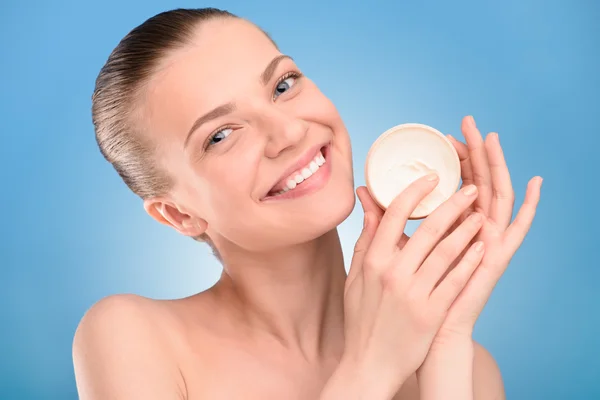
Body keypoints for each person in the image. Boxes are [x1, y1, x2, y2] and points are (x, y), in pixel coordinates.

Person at [72, 7, 542, 399]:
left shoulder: (469, 368)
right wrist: (370, 369)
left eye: (282, 85)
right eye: (220, 135)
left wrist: (445, 339)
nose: (290, 132)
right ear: (179, 214)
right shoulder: (133, 339)